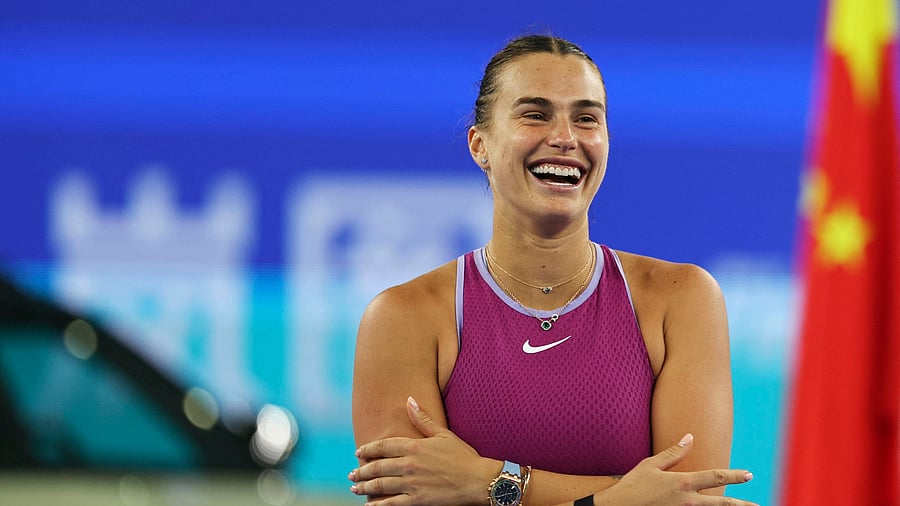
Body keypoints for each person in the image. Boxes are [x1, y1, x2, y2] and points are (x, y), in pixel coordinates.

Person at [349, 34, 757, 506]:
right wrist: (624, 498)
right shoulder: (403, 318)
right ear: (479, 145)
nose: (565, 138)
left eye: (586, 118)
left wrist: (488, 482)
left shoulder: (681, 299)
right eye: (535, 114)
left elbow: (689, 500)